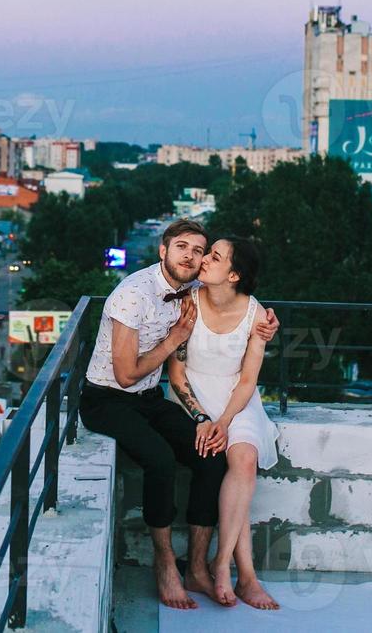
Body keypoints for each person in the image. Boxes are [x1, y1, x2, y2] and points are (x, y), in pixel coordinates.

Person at [78, 219, 278, 611]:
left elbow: (238, 300)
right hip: (107, 398)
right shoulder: (131, 295)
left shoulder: (191, 287)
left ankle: (199, 568)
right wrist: (174, 339)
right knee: (160, 459)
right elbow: (124, 374)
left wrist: (269, 322)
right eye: (182, 247)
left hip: (149, 397)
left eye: (199, 250)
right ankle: (166, 563)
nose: (191, 256)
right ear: (162, 251)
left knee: (211, 458)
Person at [166, 238, 280, 610]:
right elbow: (176, 372)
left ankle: (221, 565)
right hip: (192, 395)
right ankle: (245, 576)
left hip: (236, 398)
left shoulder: (258, 317)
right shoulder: (189, 301)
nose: (203, 260)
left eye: (213, 257)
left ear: (233, 275)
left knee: (243, 460)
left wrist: (226, 421)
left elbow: (248, 380)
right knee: (232, 472)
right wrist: (204, 418)